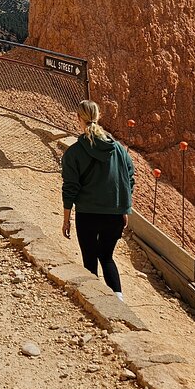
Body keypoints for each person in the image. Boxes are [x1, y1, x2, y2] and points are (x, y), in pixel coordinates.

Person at [61, 99, 135, 299]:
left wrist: (66, 219)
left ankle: (95, 302)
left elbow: (70, 188)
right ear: (99, 116)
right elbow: (129, 179)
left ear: (78, 118)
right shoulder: (118, 149)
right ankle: (118, 301)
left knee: (90, 260)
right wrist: (124, 209)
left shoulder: (74, 153)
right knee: (106, 257)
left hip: (87, 215)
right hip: (114, 215)